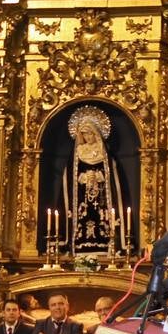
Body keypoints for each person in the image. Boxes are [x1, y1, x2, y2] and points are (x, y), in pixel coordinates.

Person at [61, 105, 128, 253]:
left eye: (90, 134)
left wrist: (99, 176)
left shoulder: (104, 153)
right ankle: (77, 245)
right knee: (83, 217)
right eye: (84, 135)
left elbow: (112, 174)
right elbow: (70, 175)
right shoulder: (78, 151)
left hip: (102, 196)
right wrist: (82, 177)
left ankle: (107, 244)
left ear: (96, 133)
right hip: (82, 197)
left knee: (101, 217)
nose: (87, 137)